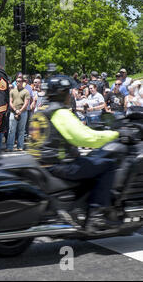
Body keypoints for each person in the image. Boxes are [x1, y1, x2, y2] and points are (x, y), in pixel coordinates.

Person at [28, 75, 120, 233]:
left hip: (40, 162)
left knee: (90, 162)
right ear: (62, 93)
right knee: (107, 165)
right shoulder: (60, 113)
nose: (70, 95)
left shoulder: (41, 110)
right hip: (59, 165)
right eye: (68, 92)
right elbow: (85, 138)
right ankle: (96, 216)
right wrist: (114, 134)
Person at [5, 77, 30, 152]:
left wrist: (20, 111)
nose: (17, 82)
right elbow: (10, 102)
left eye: (19, 81)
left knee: (21, 130)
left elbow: (26, 103)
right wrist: (15, 110)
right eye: (16, 81)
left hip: (23, 112)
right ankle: (9, 147)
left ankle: (20, 146)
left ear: (22, 82)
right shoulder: (12, 91)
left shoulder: (26, 91)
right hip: (13, 112)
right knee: (11, 130)